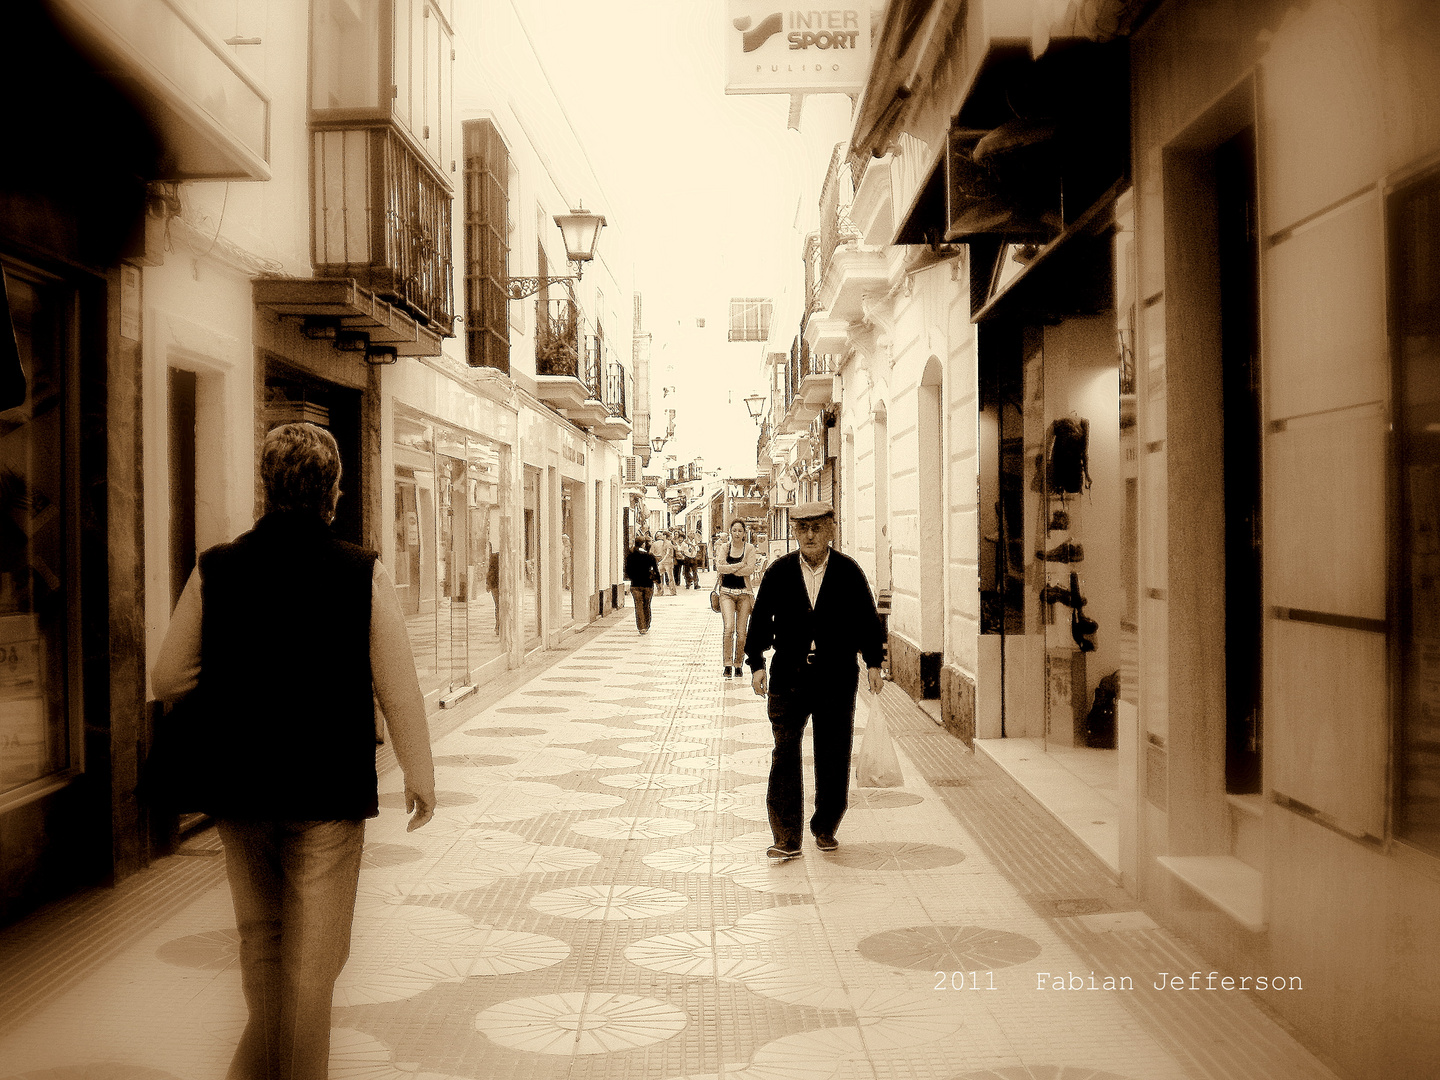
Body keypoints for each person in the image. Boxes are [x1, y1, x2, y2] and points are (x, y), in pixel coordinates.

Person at [150, 422, 436, 1080]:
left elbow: (167, 678)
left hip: (241, 789)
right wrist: (419, 773)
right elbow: (398, 685)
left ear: (267, 489)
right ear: (333, 493)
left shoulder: (216, 569)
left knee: (264, 945)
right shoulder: (360, 572)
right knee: (314, 966)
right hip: (325, 790)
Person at [746, 501, 884, 861]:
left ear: (831, 530)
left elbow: (868, 619)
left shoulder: (848, 572)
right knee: (785, 752)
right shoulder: (779, 572)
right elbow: (760, 618)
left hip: (836, 676)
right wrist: (756, 661)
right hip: (788, 675)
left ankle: (825, 826)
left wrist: (873, 661)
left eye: (816, 528)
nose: (809, 535)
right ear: (795, 532)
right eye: (802, 528)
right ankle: (787, 836)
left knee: (833, 752)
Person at [713, 518, 760, 679]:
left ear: (744, 533)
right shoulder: (724, 547)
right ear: (730, 532)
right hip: (726, 593)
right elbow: (719, 567)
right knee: (729, 628)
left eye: (740, 530)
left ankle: (738, 664)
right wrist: (738, 565)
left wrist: (730, 569)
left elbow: (749, 570)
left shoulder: (750, 548)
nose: (737, 533)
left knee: (742, 632)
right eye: (734, 530)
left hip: (744, 594)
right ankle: (727, 664)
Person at [624, 536, 661, 634]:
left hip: (635, 584)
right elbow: (656, 570)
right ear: (643, 544)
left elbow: (627, 570)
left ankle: (641, 627)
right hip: (648, 584)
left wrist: (632, 577)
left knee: (638, 605)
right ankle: (647, 624)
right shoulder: (649, 556)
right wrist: (659, 583)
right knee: (647, 604)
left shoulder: (630, 556)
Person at [651, 529, 676, 597]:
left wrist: (661, 561)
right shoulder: (664, 543)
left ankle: (672, 591)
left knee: (670, 576)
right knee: (659, 575)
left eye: (662, 535)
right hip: (663, 562)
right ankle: (660, 590)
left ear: (665, 536)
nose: (660, 536)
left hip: (668, 562)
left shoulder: (668, 543)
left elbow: (668, 554)